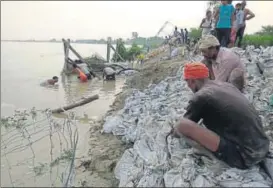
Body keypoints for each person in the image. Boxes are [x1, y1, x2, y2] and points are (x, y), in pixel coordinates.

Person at [171, 62, 269, 169]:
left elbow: (185, 125)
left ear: (192, 81)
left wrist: (173, 131)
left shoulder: (201, 97)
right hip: (262, 146)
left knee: (182, 125)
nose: (188, 86)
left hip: (245, 156)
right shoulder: (225, 85)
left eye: (187, 82)